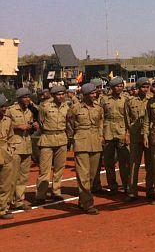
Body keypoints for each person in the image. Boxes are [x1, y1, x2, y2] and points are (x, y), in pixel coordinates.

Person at [66, 83, 103, 215]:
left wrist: (100, 137)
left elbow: (100, 123)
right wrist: (73, 139)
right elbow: (70, 126)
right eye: (92, 93)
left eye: (95, 93)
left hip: (95, 142)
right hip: (81, 142)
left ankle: (82, 200)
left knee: (93, 175)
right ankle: (88, 204)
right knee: (83, 175)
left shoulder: (98, 108)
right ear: (85, 95)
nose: (95, 95)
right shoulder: (75, 108)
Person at [35, 85, 69, 204]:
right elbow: (41, 121)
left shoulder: (66, 106)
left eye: (62, 94)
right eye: (58, 94)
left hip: (61, 138)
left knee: (59, 168)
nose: (61, 96)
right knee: (44, 169)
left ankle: (56, 191)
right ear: (53, 95)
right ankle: (41, 195)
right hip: (47, 138)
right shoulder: (44, 106)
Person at [6, 88, 38, 211]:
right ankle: (7, 202)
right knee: (12, 176)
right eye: (25, 97)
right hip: (15, 146)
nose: (28, 99)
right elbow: (3, 124)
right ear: (18, 98)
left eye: (29, 97)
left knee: (23, 176)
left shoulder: (29, 112)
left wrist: (33, 127)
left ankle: (19, 200)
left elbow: (29, 128)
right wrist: (17, 126)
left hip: (26, 146)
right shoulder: (10, 110)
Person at [124, 77, 153, 200]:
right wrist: (127, 134)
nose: (145, 89)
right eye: (143, 87)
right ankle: (132, 192)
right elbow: (127, 119)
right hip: (135, 136)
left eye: (147, 87)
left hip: (149, 136)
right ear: (138, 87)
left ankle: (150, 190)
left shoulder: (152, 100)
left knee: (150, 165)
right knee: (134, 165)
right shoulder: (130, 101)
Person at [100, 77, 131, 194]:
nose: (119, 88)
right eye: (117, 86)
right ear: (112, 88)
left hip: (122, 131)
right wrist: (101, 134)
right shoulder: (104, 100)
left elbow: (129, 118)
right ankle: (112, 186)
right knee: (109, 161)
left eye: (121, 86)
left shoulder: (127, 99)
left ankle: (127, 186)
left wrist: (128, 133)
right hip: (108, 131)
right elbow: (101, 117)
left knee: (124, 162)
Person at [0, 95, 16, 220]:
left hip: (5, 152)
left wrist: (11, 150)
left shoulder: (7, 120)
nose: (4, 108)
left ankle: (2, 209)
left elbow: (11, 137)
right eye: (2, 106)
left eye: (5, 106)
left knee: (6, 184)